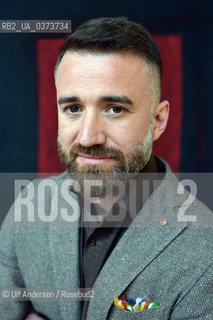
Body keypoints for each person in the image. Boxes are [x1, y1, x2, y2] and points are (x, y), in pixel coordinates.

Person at [1, 16, 213, 320]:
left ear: (158, 121)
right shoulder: (26, 208)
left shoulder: (205, 255)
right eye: (73, 108)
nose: (88, 137)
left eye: (115, 109)